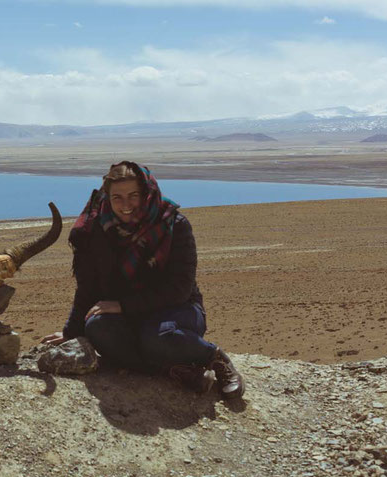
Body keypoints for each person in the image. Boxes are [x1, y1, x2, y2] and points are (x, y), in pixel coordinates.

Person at [41, 161, 244, 399]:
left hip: (177, 311)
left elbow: (179, 289)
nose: (125, 205)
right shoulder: (94, 230)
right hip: (128, 317)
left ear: (146, 193)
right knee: (96, 327)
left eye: (133, 196)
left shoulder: (174, 225)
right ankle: (175, 369)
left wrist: (122, 306)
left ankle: (214, 357)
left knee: (155, 337)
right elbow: (87, 287)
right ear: (107, 197)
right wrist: (70, 331)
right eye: (117, 197)